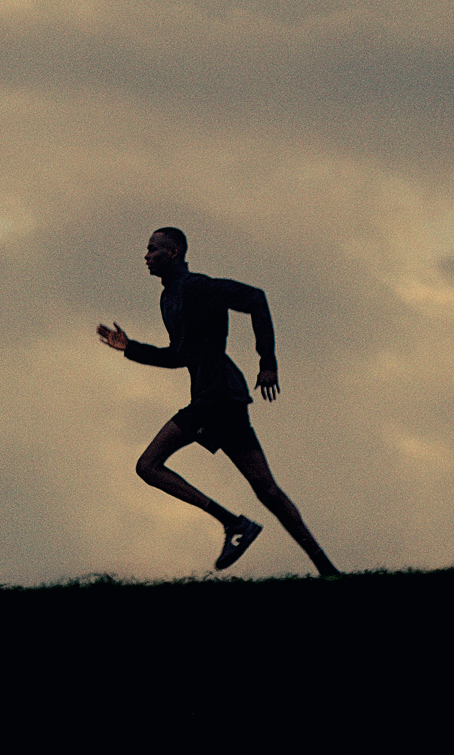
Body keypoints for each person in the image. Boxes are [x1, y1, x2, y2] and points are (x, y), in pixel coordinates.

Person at [98, 227, 339, 576]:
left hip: (216, 397)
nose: (146, 256)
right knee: (268, 490)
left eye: (152, 250)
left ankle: (234, 524)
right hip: (218, 397)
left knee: (148, 466)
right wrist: (130, 348)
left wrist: (267, 362)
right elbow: (179, 355)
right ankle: (327, 570)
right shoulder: (169, 299)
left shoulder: (198, 286)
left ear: (174, 253)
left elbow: (256, 298)